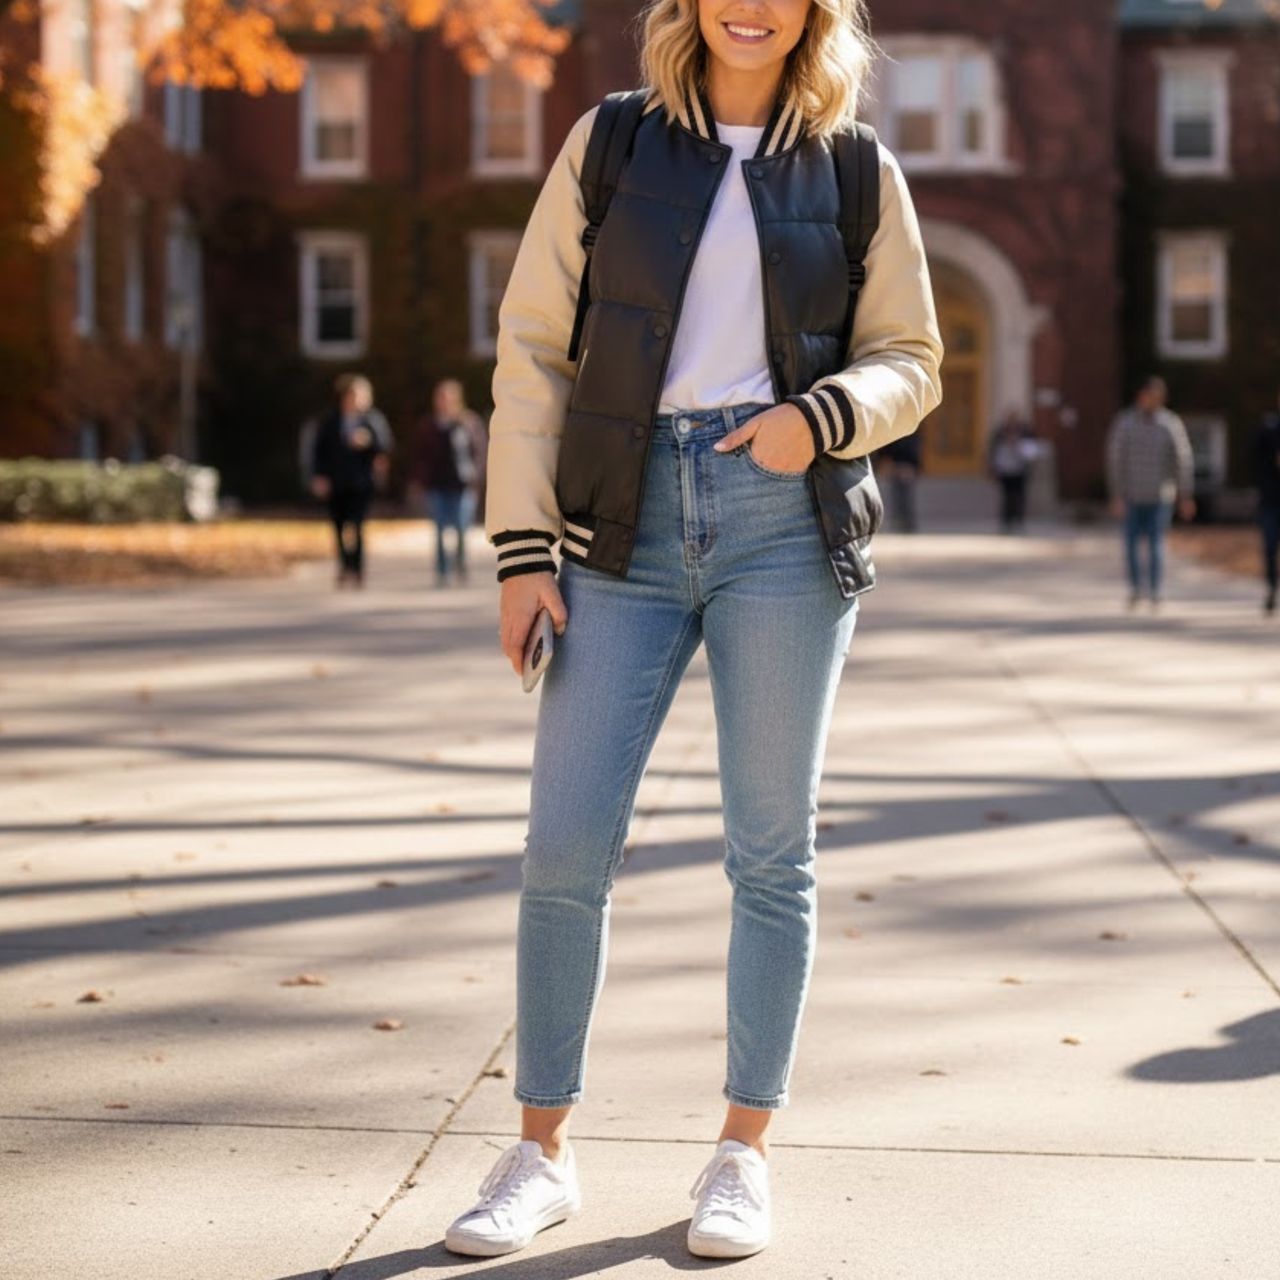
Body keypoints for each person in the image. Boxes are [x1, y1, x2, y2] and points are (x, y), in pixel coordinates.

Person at [446, 0, 941, 1260]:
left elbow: (909, 356)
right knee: (565, 842)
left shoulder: (851, 166)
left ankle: (739, 1151)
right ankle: (539, 1150)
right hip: (618, 529)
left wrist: (821, 416)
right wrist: (519, 549)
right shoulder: (609, 143)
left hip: (784, 520)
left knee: (769, 853)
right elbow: (531, 348)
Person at [1106, 376, 1195, 609]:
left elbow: (1182, 460)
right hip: (1132, 496)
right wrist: (1116, 495)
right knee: (1132, 545)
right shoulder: (1125, 423)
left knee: (1156, 544)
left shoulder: (1170, 424)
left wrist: (1185, 494)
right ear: (1141, 395)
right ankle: (1136, 588)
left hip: (1160, 496)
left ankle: (1155, 590)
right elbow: (1115, 460)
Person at [310, 374, 391, 587]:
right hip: (336, 482)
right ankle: (344, 567)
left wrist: (368, 442)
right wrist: (319, 477)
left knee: (357, 527)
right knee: (338, 528)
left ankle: (357, 569)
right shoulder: (331, 421)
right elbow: (318, 451)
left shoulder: (372, 420)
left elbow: (384, 447)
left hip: (360, 484)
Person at [412, 379, 484, 585]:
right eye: (441, 398)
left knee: (462, 528)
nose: (444, 402)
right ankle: (442, 571)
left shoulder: (469, 423)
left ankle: (461, 565)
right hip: (437, 485)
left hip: (462, 485)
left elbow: (480, 452)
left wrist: (476, 477)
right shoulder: (428, 425)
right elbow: (419, 455)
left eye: (448, 398)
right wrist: (421, 479)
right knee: (440, 529)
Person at [988, 408, 1038, 534]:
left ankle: (1019, 522)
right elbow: (993, 449)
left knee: (1019, 497)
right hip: (1005, 469)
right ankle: (1006, 522)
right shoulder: (1000, 431)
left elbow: (1031, 448)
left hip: (1019, 469)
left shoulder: (1024, 431)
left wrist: (1018, 443)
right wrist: (993, 467)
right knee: (1007, 497)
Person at [1256, 391, 1280, 615]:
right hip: (1271, 499)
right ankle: (1272, 587)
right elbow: (1253, 459)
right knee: (1270, 546)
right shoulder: (1268, 427)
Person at [879, 431, 921, 533]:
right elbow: (888, 448)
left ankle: (908, 522)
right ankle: (898, 521)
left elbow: (914, 449)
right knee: (897, 495)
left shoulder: (912, 431)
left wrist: (911, 466)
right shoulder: (894, 430)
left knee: (905, 497)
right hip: (896, 466)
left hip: (907, 466)